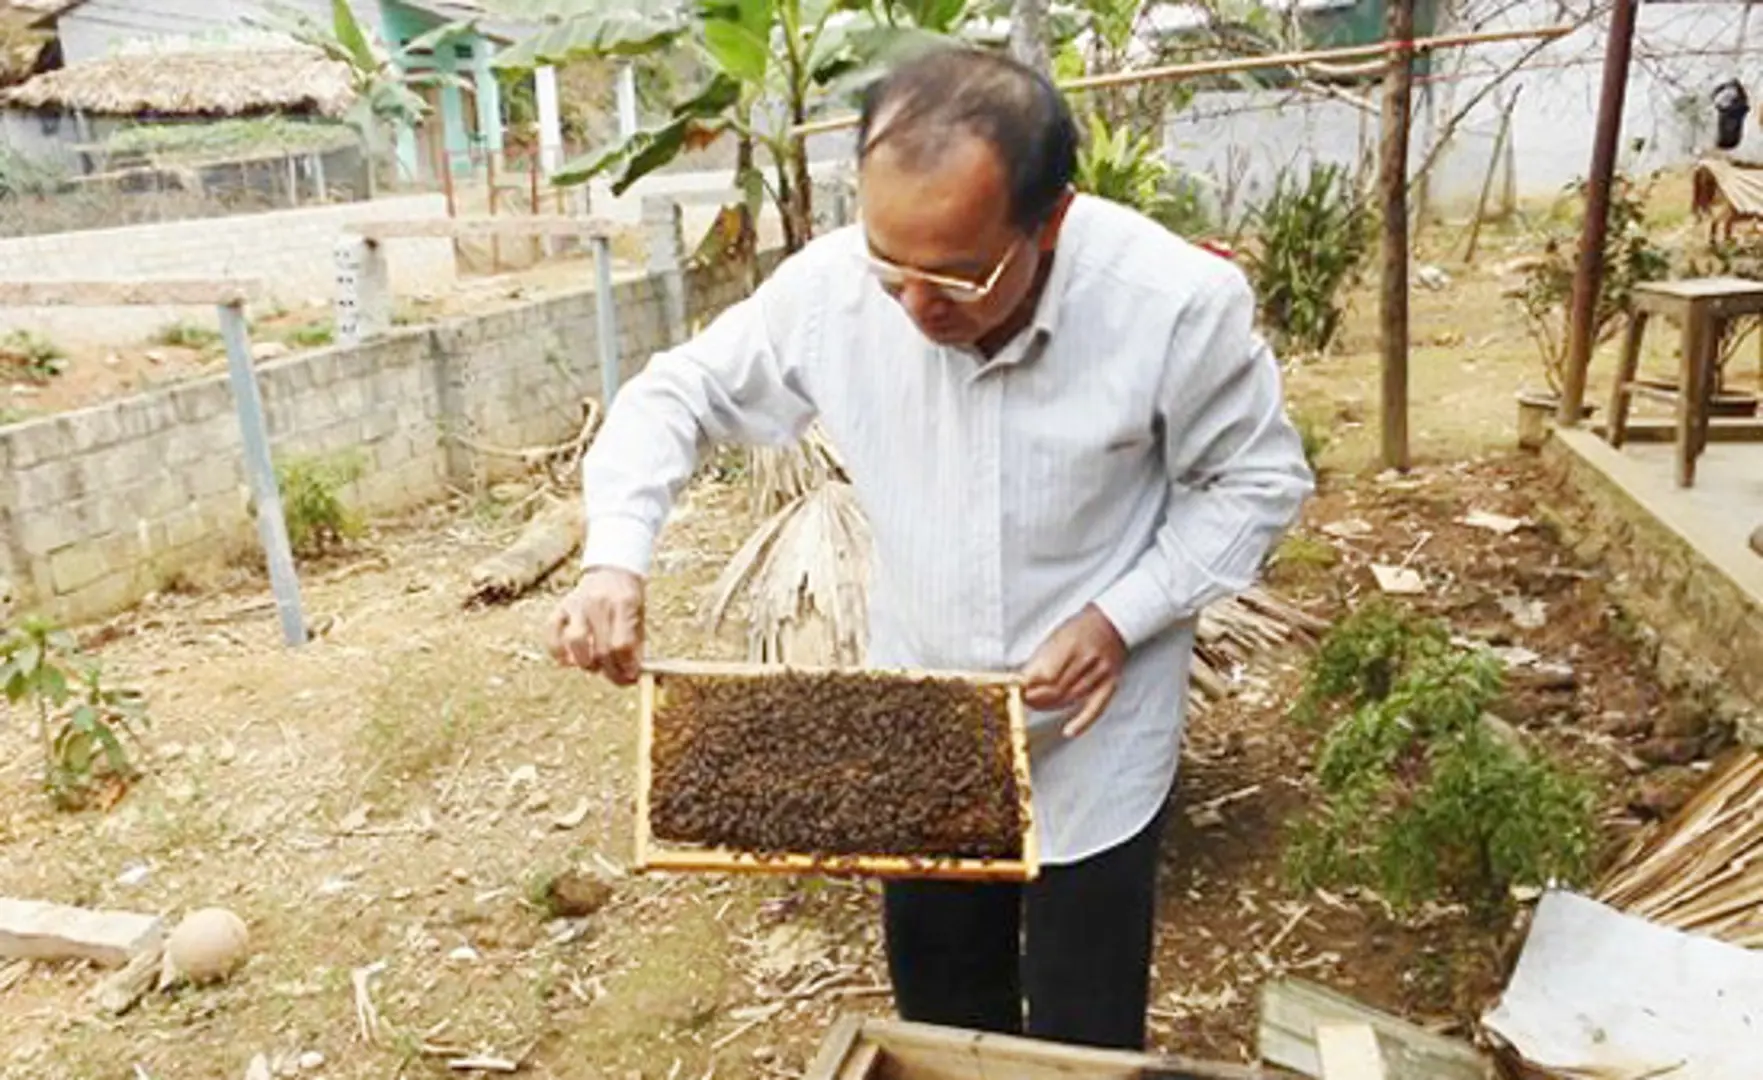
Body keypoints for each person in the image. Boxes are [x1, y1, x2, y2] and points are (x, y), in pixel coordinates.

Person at [548, 46, 1313, 1051]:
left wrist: (1118, 617)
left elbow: (1254, 485)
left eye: (956, 273)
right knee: (942, 1022)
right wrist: (615, 554)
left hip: (1098, 735)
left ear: (1051, 218)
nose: (914, 305)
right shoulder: (830, 291)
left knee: (1084, 1036)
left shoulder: (1170, 305)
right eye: (888, 264)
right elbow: (674, 395)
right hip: (919, 728)